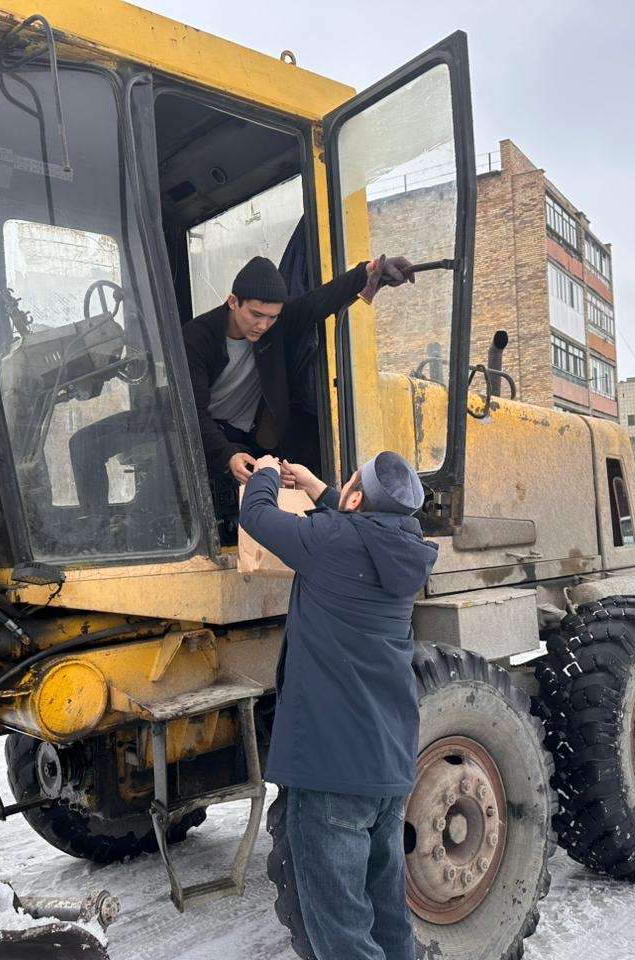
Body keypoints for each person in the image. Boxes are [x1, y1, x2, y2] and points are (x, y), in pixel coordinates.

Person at [238, 451, 439, 960]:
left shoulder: (329, 542)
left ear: (354, 499)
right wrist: (314, 486)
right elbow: (359, 528)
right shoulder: (406, 551)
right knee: (389, 917)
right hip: (387, 767)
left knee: (341, 934)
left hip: (331, 773)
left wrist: (263, 472)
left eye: (346, 486)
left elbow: (257, 517)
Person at [183, 255, 413, 488]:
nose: (263, 326)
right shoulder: (197, 337)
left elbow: (319, 301)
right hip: (205, 437)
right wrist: (226, 454)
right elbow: (192, 411)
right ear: (233, 302)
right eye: (256, 314)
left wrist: (370, 271)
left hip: (254, 437)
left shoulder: (276, 325)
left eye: (272, 317)